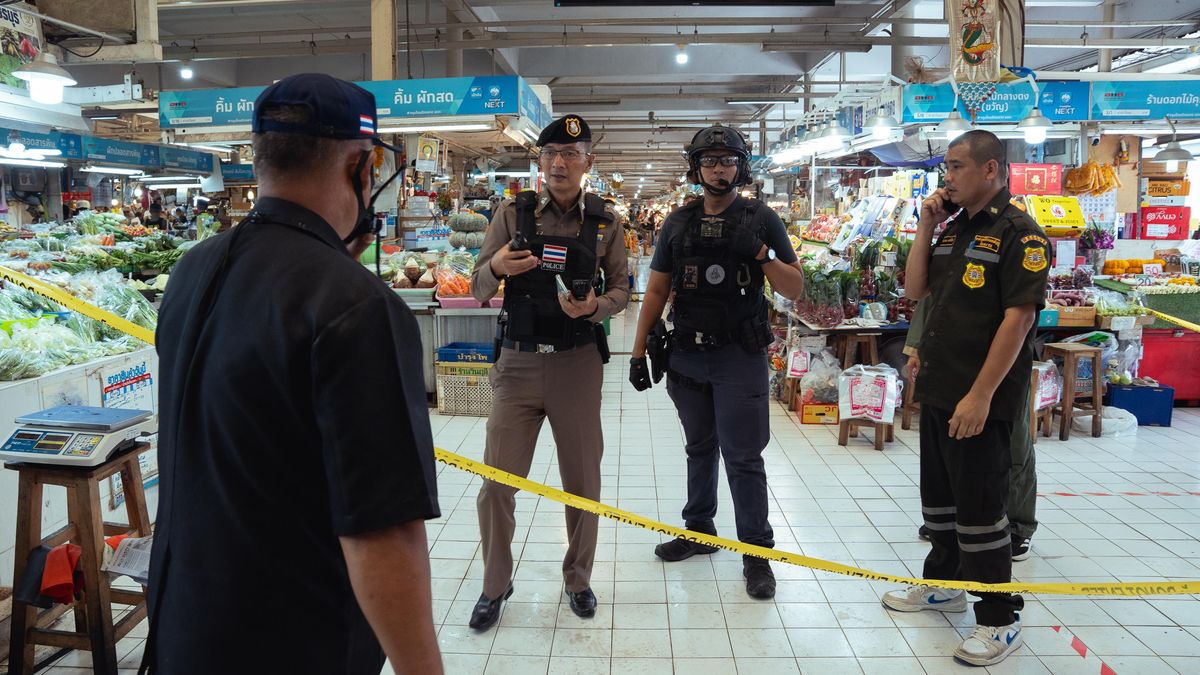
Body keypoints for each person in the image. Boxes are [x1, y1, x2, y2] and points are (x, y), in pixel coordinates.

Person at [145, 73, 442, 675]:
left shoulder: (192, 271)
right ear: (362, 170)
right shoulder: (359, 308)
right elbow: (383, 533)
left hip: (184, 628)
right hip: (291, 641)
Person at [881, 130, 1049, 667]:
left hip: (980, 398)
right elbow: (914, 290)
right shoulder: (951, 229)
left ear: (991, 171)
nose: (946, 176)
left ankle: (1000, 621)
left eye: (955, 167)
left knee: (981, 512)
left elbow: (1018, 321)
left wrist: (980, 396)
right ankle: (944, 583)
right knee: (942, 504)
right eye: (945, 168)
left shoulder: (1020, 234)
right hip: (939, 388)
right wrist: (925, 226)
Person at [628, 125, 806, 599]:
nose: (719, 168)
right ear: (696, 168)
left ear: (741, 166)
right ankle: (699, 530)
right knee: (698, 448)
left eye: (727, 160)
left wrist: (760, 252)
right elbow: (657, 288)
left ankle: (757, 554)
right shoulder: (678, 223)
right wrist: (638, 348)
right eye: (710, 161)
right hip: (686, 355)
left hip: (739, 357)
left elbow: (794, 288)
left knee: (743, 456)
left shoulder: (762, 218)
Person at [468, 114, 629, 631]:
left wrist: (596, 307)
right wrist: (497, 269)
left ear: (588, 163)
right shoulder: (513, 214)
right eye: (550, 154)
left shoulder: (607, 221)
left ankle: (578, 578)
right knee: (496, 483)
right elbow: (475, 287)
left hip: (577, 365)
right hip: (516, 364)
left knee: (582, 481)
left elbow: (625, 290)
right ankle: (496, 585)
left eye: (570, 154)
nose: (559, 163)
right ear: (539, 161)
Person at [906, 300, 1037, 561]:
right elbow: (935, 291)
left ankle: (1017, 524)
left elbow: (1021, 314)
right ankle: (955, 520)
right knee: (953, 446)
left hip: (1000, 361)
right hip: (952, 357)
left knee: (1012, 445)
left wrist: (983, 392)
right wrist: (917, 343)